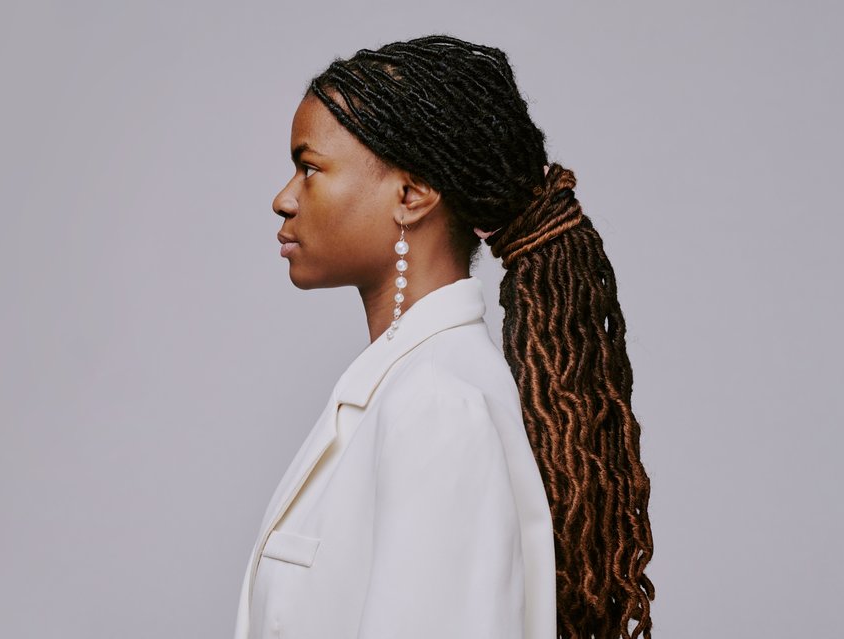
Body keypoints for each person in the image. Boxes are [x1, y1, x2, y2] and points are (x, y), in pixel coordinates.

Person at [235, 34, 656, 639]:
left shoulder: (435, 407)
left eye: (309, 168)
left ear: (412, 194)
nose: (283, 199)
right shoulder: (403, 390)